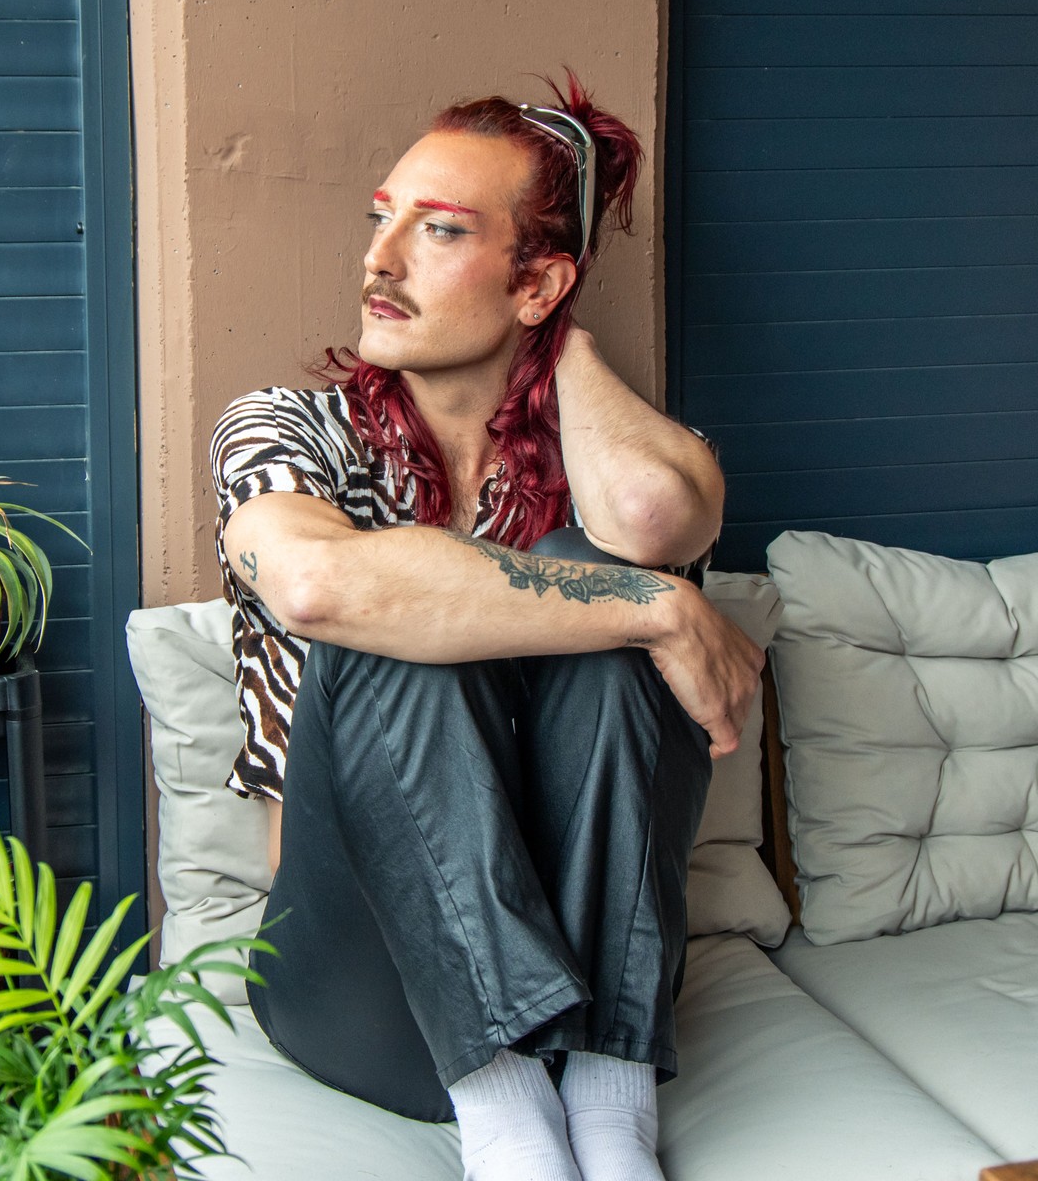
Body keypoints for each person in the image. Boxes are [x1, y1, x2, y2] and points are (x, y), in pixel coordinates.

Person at [209, 71, 764, 1181]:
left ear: (538, 281)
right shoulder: (282, 429)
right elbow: (317, 587)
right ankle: (509, 1125)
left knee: (588, 560)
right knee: (398, 606)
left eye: (443, 229)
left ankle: (609, 1113)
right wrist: (657, 606)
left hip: (590, 958)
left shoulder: (617, 457)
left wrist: (570, 352)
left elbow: (655, 520)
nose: (380, 258)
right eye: (383, 218)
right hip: (360, 968)